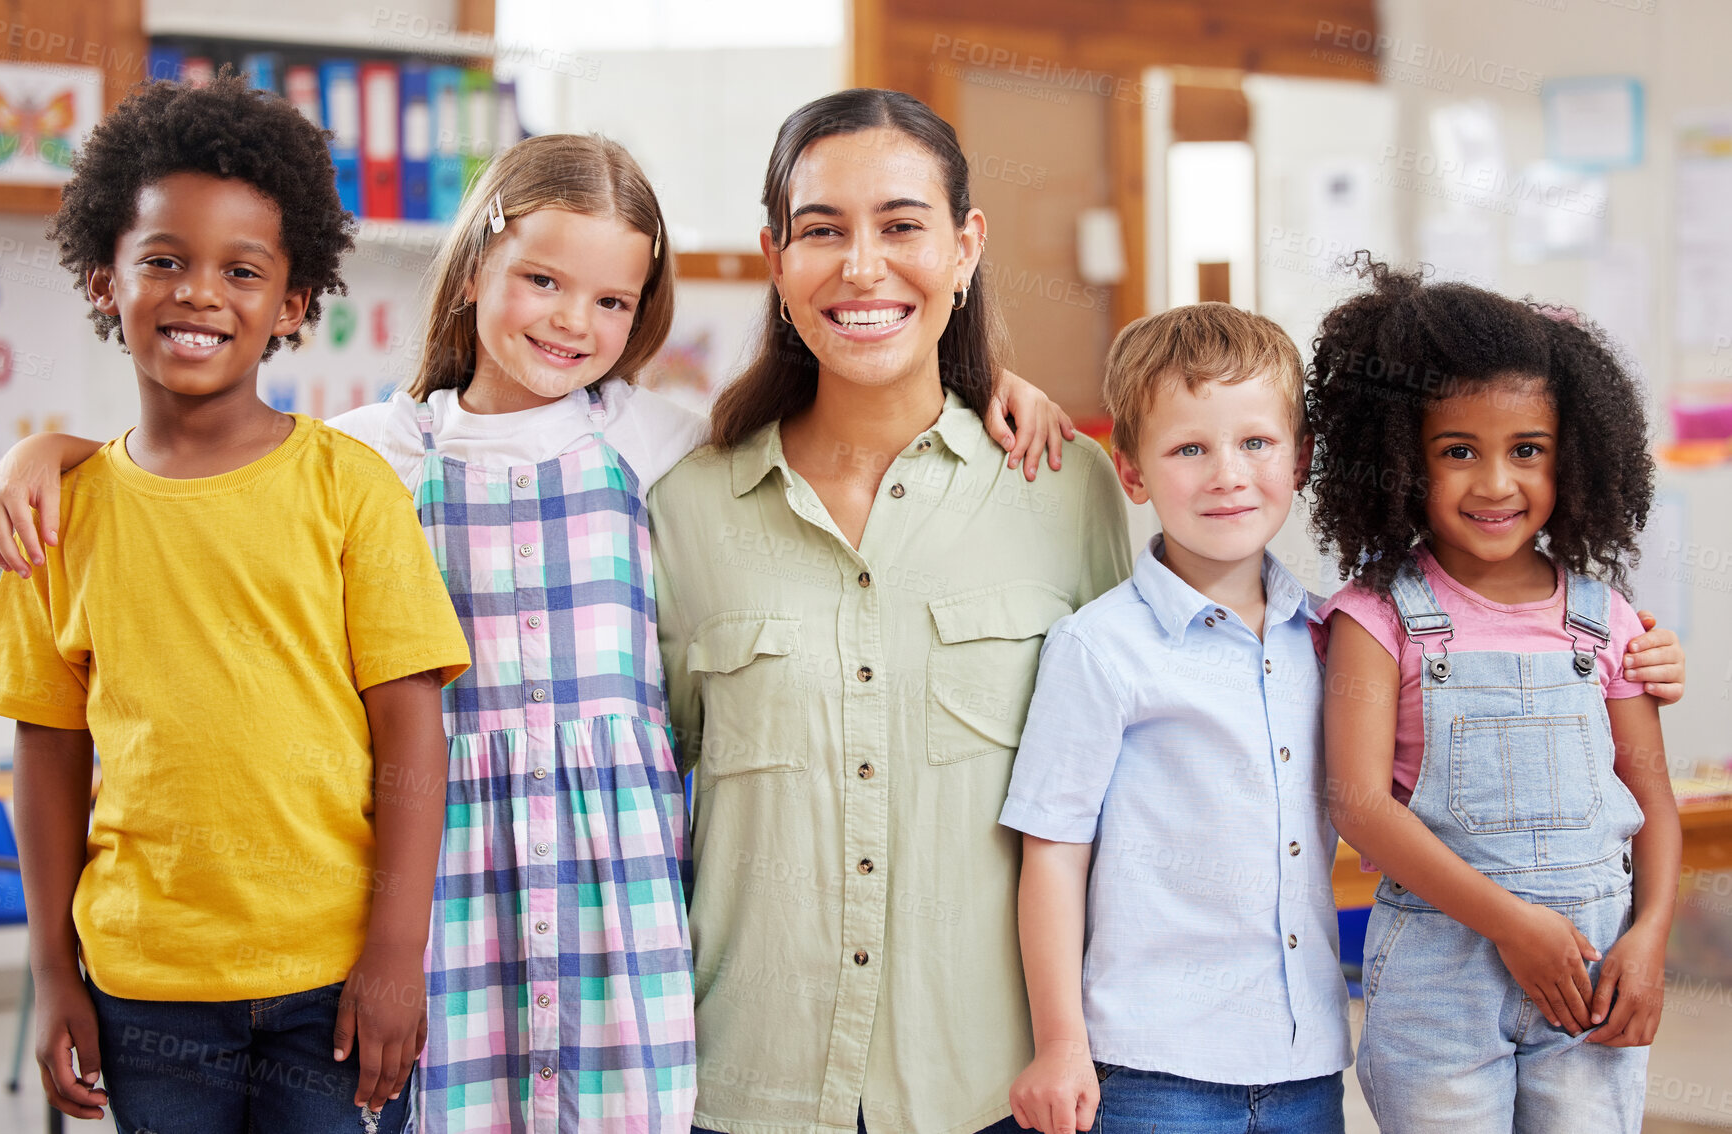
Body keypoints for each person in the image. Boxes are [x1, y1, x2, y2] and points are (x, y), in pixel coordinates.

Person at [0, 124, 1074, 1133]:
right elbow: (216, 456)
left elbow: (845, 404)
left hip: (618, 898)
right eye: (541, 280)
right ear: (474, 272)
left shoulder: (662, 444)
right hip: (435, 885)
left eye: (608, 303)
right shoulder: (373, 457)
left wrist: (985, 385)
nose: (568, 321)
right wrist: (56, 452)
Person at [0, 75, 472, 1132]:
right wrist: (55, 974)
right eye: (163, 261)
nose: (201, 292)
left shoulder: (348, 489)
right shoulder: (60, 514)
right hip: (147, 988)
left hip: (330, 985)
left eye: (242, 270)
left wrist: (395, 953)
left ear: (291, 304)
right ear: (106, 281)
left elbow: (412, 734)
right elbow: (47, 758)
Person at [648, 88, 1133, 1134]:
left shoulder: (1063, 489)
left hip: (993, 1090)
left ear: (964, 249)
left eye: (901, 225)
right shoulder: (682, 507)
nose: (861, 266)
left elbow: (1121, 798)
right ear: (775, 258)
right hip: (744, 1087)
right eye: (822, 231)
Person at [1310, 262, 1682, 1133]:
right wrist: (1513, 925)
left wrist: (1651, 934)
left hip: (1593, 974)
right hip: (1441, 982)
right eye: (1456, 452)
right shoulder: (1374, 617)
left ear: (1573, 456)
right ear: (1401, 459)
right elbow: (1358, 804)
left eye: (1526, 450)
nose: (1494, 484)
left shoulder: (1608, 620)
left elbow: (1650, 797)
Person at [1001, 304, 1352, 1134]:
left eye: (1255, 443)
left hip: (1307, 1065)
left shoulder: (1335, 638)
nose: (1226, 474)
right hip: (1154, 1074)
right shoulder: (1099, 648)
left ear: (1298, 459)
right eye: (1188, 448)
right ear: (1132, 473)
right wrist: (1059, 1045)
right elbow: (1052, 851)